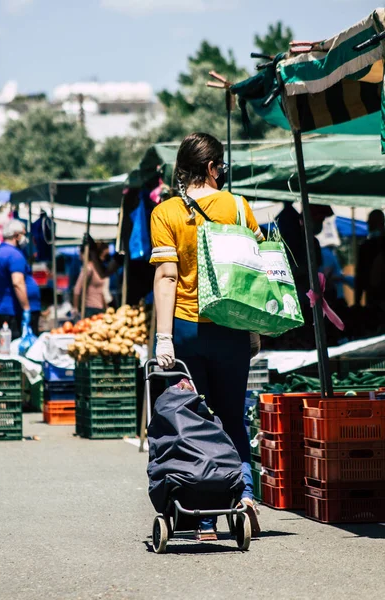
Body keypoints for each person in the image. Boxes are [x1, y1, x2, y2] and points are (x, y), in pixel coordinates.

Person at [150, 132, 264, 540]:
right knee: (232, 415)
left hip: (186, 329)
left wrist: (164, 339)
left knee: (194, 418)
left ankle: (203, 518)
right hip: (231, 327)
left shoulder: (165, 213)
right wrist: (252, 328)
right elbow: (254, 271)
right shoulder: (237, 206)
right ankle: (244, 493)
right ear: (214, 167)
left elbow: (166, 276)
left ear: (183, 169)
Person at [0, 220, 41, 340]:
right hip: (17, 314)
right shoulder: (15, 255)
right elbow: (18, 283)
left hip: (4, 310)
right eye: (24, 234)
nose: (26, 238)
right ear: (17, 236)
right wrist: (27, 309)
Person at [73, 239, 123, 318]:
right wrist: (75, 308)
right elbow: (77, 289)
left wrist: (107, 307)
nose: (108, 250)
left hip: (101, 308)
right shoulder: (89, 268)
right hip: (90, 308)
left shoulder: (102, 266)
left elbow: (103, 291)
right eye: (106, 247)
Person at [355, 210, 385, 308]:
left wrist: (357, 301)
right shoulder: (366, 246)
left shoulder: (366, 246)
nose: (367, 223)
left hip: (373, 293)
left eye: (370, 221)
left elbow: (360, 275)